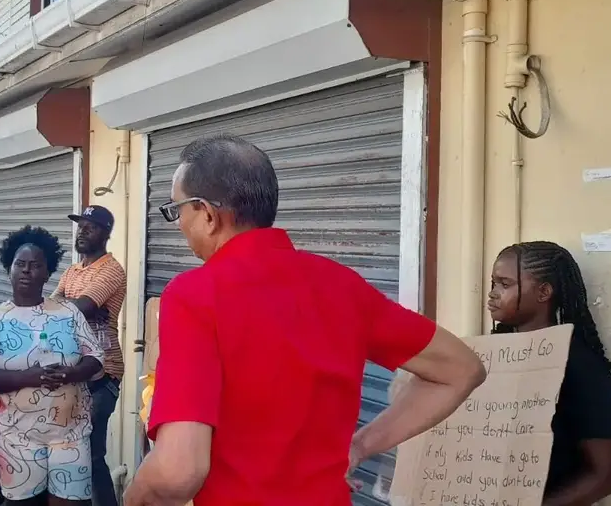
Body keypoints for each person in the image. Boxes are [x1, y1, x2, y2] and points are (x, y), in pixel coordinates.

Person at [122, 134, 487, 506]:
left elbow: (176, 471)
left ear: (208, 214)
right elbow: (461, 368)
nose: (178, 223)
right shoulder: (342, 285)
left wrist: (133, 499)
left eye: (176, 210)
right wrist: (360, 446)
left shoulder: (195, 295)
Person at [0, 225, 105, 506]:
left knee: (71, 501)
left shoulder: (68, 312)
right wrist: (29, 377)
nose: (27, 270)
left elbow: (95, 357)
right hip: (13, 436)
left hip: (70, 434)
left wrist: (72, 373)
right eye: (20, 264)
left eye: (35, 265)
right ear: (10, 268)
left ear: (48, 272)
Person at [487, 241, 611, 505]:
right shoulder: (491, 355)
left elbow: (606, 475)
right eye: (493, 283)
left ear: (544, 292)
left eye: (505, 284)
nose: (492, 294)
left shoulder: (580, 366)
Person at [52, 205, 126, 506]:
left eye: (90, 227)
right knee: (71, 453)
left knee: (91, 455)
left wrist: (60, 307)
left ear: (106, 234)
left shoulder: (111, 270)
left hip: (102, 375)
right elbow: (52, 307)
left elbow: (81, 308)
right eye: (80, 226)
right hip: (74, 375)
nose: (82, 232)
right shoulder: (73, 270)